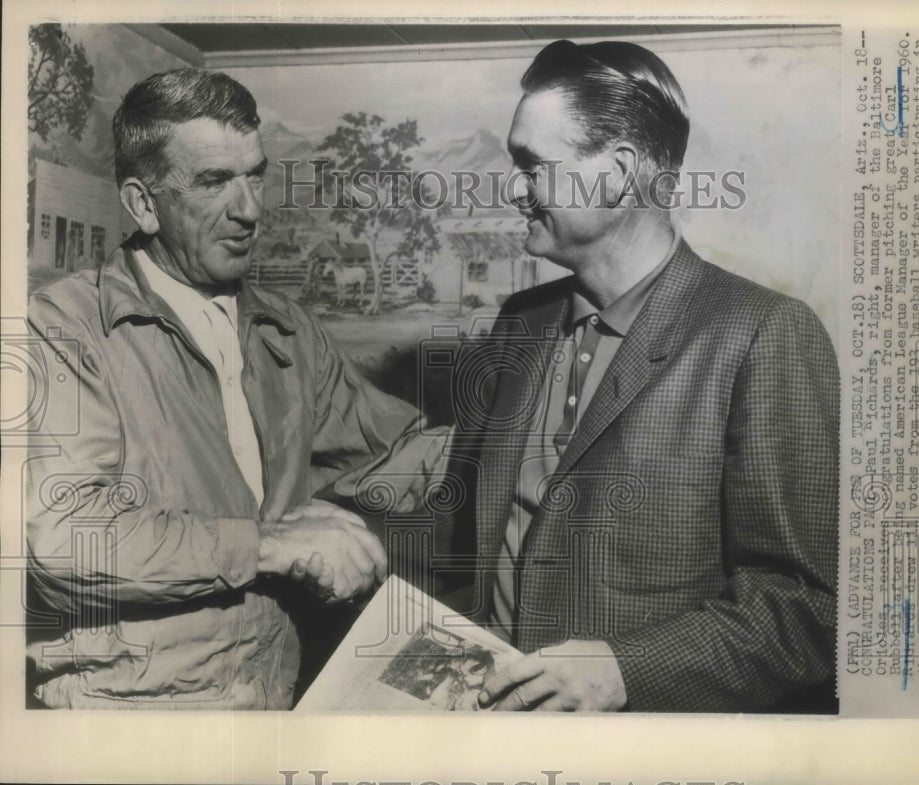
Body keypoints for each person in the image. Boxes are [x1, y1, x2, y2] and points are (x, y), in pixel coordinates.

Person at [24, 68, 445, 709]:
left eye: (254, 174)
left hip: (271, 698)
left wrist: (535, 449)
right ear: (143, 204)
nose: (249, 209)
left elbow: (394, 454)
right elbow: (64, 542)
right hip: (129, 721)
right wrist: (274, 545)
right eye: (215, 181)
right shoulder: (61, 327)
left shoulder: (286, 327)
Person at [439, 40, 839, 712]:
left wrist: (627, 670)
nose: (511, 187)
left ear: (618, 174)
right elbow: (466, 531)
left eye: (531, 165)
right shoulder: (520, 322)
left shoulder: (763, 334)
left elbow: (808, 608)